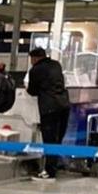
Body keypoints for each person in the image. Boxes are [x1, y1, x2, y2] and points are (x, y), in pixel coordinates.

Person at [27, 47, 70, 180]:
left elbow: (32, 90)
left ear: (35, 58)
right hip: (64, 105)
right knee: (57, 140)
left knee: (49, 140)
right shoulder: (56, 65)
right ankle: (54, 167)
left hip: (49, 108)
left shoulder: (35, 70)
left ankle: (49, 172)